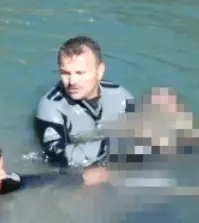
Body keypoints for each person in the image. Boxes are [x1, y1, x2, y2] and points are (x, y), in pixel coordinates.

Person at [34, 36, 136, 168]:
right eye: (65, 73)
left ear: (100, 71)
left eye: (80, 73)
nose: (72, 81)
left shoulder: (121, 97)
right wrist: (109, 147)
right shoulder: (51, 107)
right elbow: (55, 157)